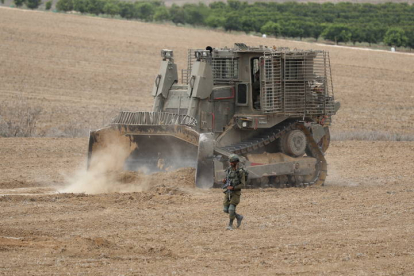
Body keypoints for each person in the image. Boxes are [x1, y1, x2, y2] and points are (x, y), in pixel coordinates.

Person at [222, 154, 245, 230]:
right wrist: (224, 181)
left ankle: (230, 225)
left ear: (236, 162)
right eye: (230, 162)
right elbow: (228, 180)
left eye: (232, 162)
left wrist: (234, 187)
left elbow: (242, 184)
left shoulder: (240, 172)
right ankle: (238, 217)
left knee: (231, 209)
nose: (230, 163)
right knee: (226, 209)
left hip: (235, 193)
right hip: (228, 192)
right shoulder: (229, 170)